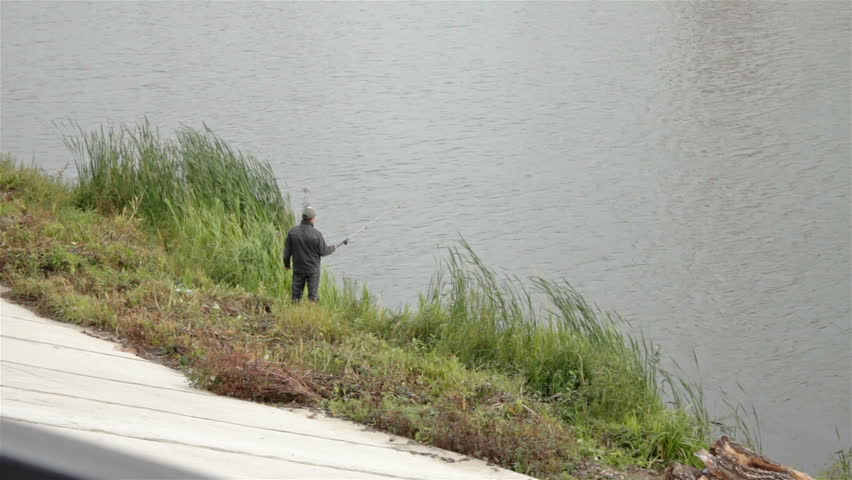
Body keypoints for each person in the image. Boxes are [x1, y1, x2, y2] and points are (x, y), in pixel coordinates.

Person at [283, 206, 346, 302]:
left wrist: (287, 265)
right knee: (313, 296)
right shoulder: (317, 234)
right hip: (313, 270)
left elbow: (287, 253)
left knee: (296, 295)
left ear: (303, 217)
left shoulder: (292, 232)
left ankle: (295, 309)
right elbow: (323, 252)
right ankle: (312, 310)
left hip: (298, 268)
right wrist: (334, 247)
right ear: (312, 218)